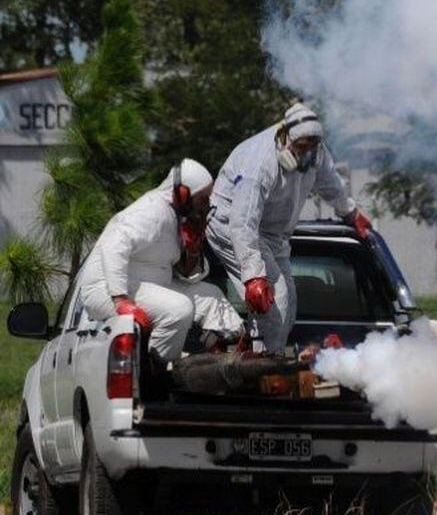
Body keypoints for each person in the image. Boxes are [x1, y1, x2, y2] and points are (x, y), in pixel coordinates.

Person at [207, 102, 371, 353]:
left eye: (312, 147)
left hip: (273, 233)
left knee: (288, 305)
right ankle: (262, 373)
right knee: (275, 302)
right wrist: (253, 276)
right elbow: (243, 223)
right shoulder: (260, 163)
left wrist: (350, 211)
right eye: (301, 148)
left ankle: (260, 359)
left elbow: (330, 183)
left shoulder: (317, 152)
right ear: (285, 137)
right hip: (230, 225)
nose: (307, 154)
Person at [79, 159, 245, 364]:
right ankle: (155, 374)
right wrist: (120, 300)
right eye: (202, 198)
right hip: (106, 289)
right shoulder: (151, 211)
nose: (206, 205)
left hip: (148, 283)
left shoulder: (177, 218)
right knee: (178, 309)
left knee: (212, 296)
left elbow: (184, 274)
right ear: (182, 194)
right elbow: (113, 245)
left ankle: (229, 358)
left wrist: (192, 250)